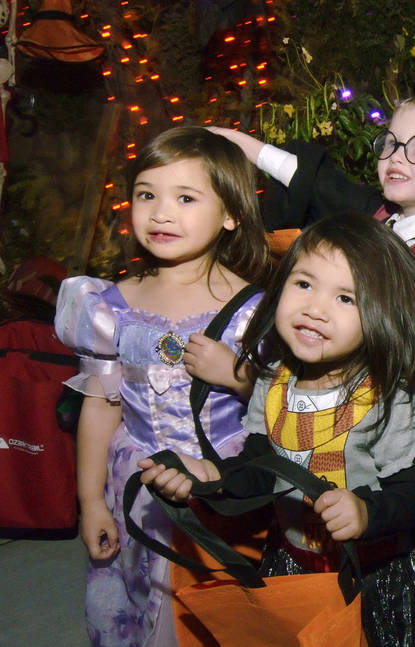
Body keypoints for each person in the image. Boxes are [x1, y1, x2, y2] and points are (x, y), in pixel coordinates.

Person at [139, 216, 415, 646]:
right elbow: (261, 470)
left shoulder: (392, 395)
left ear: (383, 312)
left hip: (376, 580)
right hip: (291, 567)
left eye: (346, 298)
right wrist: (212, 479)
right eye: (304, 284)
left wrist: (368, 512)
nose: (315, 308)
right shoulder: (272, 381)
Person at [54, 126, 270, 646]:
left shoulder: (255, 310)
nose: (161, 212)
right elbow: (102, 408)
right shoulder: (110, 307)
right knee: (143, 608)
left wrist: (238, 377)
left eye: (186, 197)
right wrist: (92, 502)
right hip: (137, 487)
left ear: (230, 214)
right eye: (146, 194)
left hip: (223, 485)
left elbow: (284, 410)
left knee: (220, 616)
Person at [212, 93, 415, 273]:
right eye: (392, 143)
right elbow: (306, 177)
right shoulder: (375, 213)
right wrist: (226, 137)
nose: (396, 156)